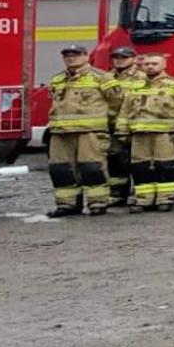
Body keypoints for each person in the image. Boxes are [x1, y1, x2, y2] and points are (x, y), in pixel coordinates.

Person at [45, 44, 120, 217]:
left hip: (90, 131)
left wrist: (106, 122)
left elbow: (117, 101)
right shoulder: (57, 79)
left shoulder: (101, 77)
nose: (71, 58)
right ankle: (67, 205)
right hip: (61, 132)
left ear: (86, 57)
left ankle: (98, 203)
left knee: (92, 169)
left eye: (76, 55)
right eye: (67, 55)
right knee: (61, 170)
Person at [117, 54, 174, 212]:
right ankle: (144, 199)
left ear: (164, 65)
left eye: (154, 63)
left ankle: (165, 199)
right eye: (147, 64)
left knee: (165, 166)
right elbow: (125, 110)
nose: (150, 67)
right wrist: (122, 131)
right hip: (139, 134)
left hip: (165, 134)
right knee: (140, 167)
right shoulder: (135, 86)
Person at [104, 45, 145, 203]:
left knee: (138, 161)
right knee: (115, 160)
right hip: (113, 126)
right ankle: (117, 194)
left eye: (124, 58)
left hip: (134, 126)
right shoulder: (107, 78)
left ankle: (139, 194)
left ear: (134, 59)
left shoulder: (142, 78)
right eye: (116, 58)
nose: (119, 61)